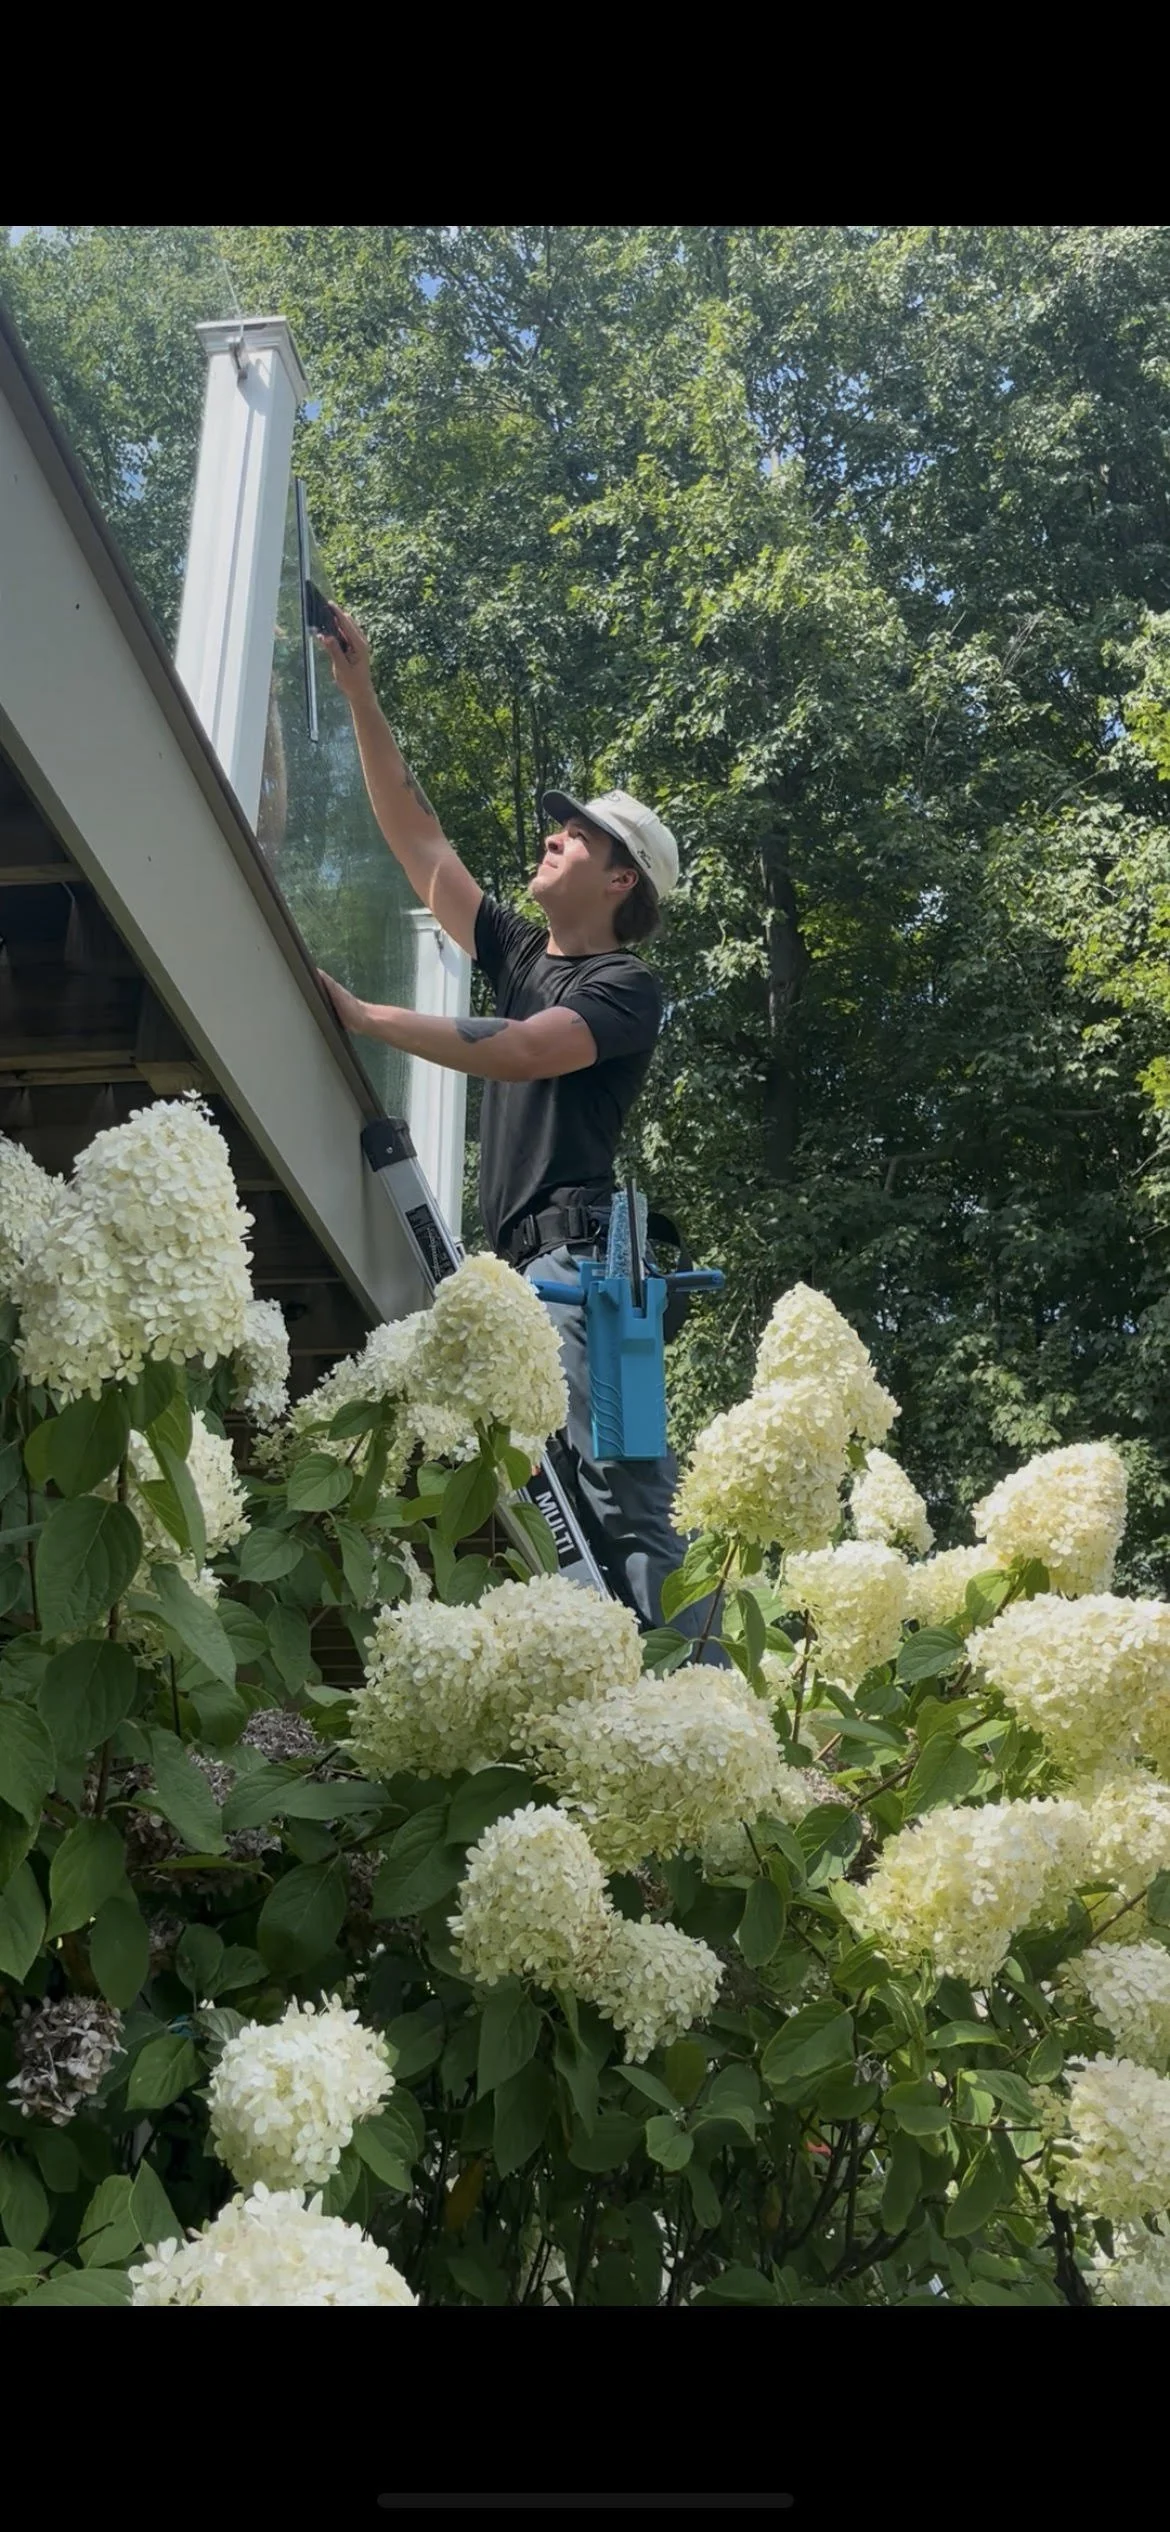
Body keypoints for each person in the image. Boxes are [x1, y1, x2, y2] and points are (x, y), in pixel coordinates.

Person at [313, 604, 720, 1647]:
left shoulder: (627, 986)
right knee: (567, 1517)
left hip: (595, 1284)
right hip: (534, 1279)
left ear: (620, 877)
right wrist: (360, 691)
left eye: (575, 832)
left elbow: (524, 1049)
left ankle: (702, 1697)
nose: (553, 834)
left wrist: (368, 1018)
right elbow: (417, 837)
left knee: (630, 1506)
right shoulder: (524, 955)